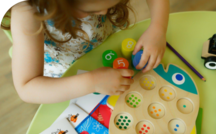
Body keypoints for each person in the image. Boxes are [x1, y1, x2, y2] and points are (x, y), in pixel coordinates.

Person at [0, 0, 169, 104]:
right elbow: (27, 88)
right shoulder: (27, 13)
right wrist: (91, 82)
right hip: (66, 80)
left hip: (106, 46)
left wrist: (157, 28)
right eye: (92, 11)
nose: (103, 12)